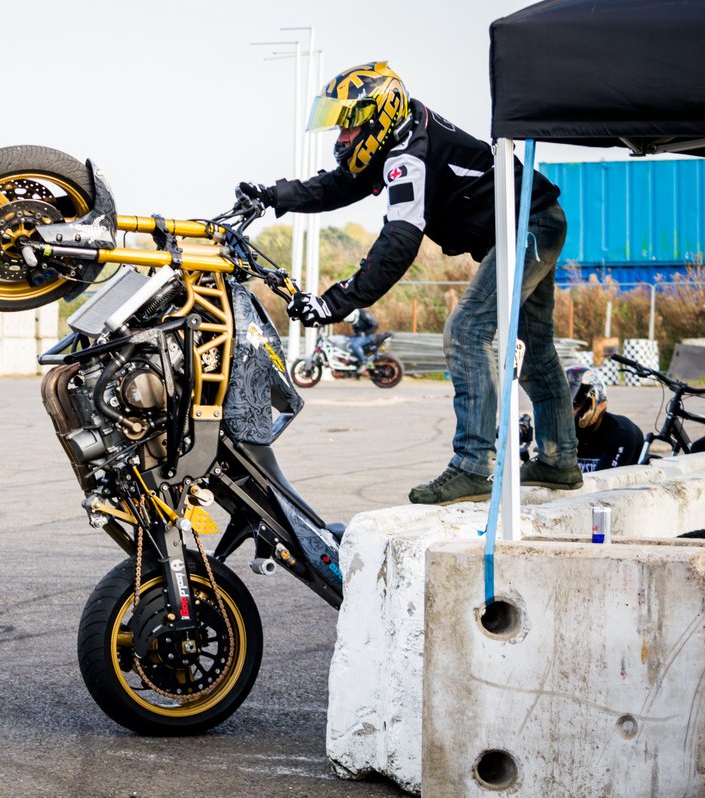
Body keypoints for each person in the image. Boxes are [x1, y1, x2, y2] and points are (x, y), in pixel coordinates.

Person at [238, 61, 581, 504]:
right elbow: (340, 185)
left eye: (348, 127)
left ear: (379, 116)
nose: (341, 139)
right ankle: (559, 461)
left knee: (469, 330)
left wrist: (334, 303)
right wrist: (273, 196)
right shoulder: (401, 134)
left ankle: (474, 465)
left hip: (528, 225)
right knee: (534, 346)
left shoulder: (408, 157)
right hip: (533, 220)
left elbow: (398, 244)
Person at [565, 366, 645, 472]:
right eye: (563, 406)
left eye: (574, 406)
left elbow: (605, 483)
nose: (566, 412)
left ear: (592, 403)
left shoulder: (621, 435)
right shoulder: (561, 434)